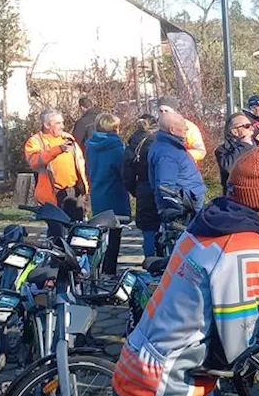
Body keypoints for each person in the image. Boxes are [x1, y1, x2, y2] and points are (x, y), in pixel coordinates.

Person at [113, 148, 259, 396]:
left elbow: (209, 292)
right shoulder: (245, 249)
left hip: (134, 372)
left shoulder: (212, 224)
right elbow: (235, 346)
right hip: (168, 394)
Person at [85, 113, 130, 275]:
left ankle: (96, 267)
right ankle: (109, 271)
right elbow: (122, 172)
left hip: (98, 191)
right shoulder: (117, 147)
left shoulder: (90, 146)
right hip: (114, 192)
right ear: (114, 128)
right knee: (114, 234)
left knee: (100, 232)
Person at [25, 108, 90, 221]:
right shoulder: (34, 142)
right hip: (53, 192)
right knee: (57, 229)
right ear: (46, 125)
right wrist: (58, 149)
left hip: (73, 190)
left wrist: (84, 185)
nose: (62, 126)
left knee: (76, 227)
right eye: (58, 123)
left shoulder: (68, 138)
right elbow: (35, 161)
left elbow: (80, 162)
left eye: (62, 122)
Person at [149, 112, 208, 224]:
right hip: (184, 211)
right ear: (172, 129)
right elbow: (165, 187)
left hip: (189, 204)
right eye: (182, 125)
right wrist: (178, 210)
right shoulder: (168, 153)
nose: (186, 129)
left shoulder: (170, 147)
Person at [123, 114, 160, 258]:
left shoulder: (133, 144)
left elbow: (127, 174)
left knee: (148, 231)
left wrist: (135, 190)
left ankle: (150, 263)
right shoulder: (159, 141)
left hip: (143, 188)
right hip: (161, 187)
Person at [156, 96, 207, 162]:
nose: (164, 113)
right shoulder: (154, 127)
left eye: (166, 111)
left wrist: (179, 155)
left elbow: (201, 151)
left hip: (184, 167)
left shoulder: (188, 127)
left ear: (174, 111)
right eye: (161, 111)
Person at [216, 113, 259, 187]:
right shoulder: (222, 150)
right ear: (234, 131)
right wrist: (245, 144)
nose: (252, 128)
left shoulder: (256, 146)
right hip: (235, 194)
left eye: (251, 125)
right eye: (247, 126)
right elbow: (229, 168)